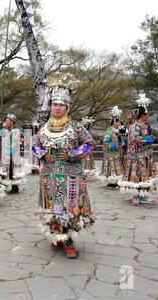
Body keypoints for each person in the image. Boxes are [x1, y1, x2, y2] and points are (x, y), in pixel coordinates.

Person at [33, 73, 96, 258]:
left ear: (67, 107)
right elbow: (35, 144)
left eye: (61, 105)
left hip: (71, 175)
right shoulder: (43, 129)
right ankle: (56, 235)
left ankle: (68, 239)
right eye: (54, 104)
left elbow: (89, 143)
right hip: (49, 174)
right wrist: (43, 154)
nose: (57, 108)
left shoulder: (76, 127)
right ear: (50, 106)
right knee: (53, 205)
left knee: (69, 207)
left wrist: (73, 154)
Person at [118, 93, 158, 205]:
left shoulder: (145, 126)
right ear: (142, 115)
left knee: (145, 177)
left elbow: (149, 137)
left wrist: (149, 138)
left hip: (146, 155)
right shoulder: (134, 126)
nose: (148, 116)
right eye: (147, 114)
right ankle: (135, 196)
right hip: (136, 157)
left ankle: (144, 197)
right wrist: (148, 138)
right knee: (136, 177)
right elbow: (136, 139)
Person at [99, 106, 125, 188]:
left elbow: (120, 140)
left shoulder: (117, 132)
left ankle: (117, 180)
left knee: (117, 167)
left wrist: (122, 143)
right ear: (114, 123)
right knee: (112, 167)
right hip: (111, 154)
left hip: (117, 154)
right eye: (119, 122)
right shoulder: (109, 131)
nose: (120, 124)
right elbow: (105, 141)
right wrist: (114, 146)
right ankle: (111, 181)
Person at [0, 114, 25, 194]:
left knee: (13, 171)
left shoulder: (16, 131)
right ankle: (4, 185)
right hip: (5, 155)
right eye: (5, 121)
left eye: (7, 120)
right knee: (5, 170)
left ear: (12, 122)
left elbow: (14, 144)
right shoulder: (5, 131)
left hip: (13, 155)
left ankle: (15, 187)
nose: (5, 122)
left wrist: (10, 154)